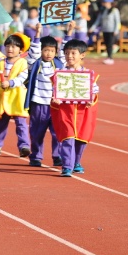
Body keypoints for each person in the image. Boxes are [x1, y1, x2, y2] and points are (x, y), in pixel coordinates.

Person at [25, 22, 72, 167]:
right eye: (46, 50)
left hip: (56, 104)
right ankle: (36, 156)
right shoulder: (35, 63)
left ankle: (57, 155)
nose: (49, 53)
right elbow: (33, 52)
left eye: (52, 51)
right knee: (37, 132)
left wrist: (69, 32)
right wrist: (38, 34)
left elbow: (65, 49)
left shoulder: (59, 64)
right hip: (39, 103)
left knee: (57, 132)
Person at [50, 39, 99, 177]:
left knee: (81, 140)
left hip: (83, 113)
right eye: (66, 53)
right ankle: (67, 166)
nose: (69, 56)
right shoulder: (60, 74)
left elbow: (94, 91)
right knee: (68, 137)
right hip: (66, 112)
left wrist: (91, 100)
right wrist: (55, 99)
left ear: (82, 55)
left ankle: (76, 162)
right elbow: (55, 90)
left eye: (73, 53)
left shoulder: (89, 74)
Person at [0, 32, 31, 156]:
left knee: (21, 123)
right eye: (8, 46)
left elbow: (22, 77)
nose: (10, 49)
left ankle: (24, 146)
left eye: (14, 46)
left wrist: (10, 83)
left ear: (20, 50)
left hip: (17, 98)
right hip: (3, 98)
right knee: (1, 122)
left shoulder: (23, 63)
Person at [91, 0, 121, 65]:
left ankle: (110, 58)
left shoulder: (115, 10)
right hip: (105, 30)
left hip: (112, 31)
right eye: (104, 2)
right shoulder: (103, 11)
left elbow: (117, 21)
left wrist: (116, 30)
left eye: (106, 2)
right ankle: (108, 57)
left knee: (110, 44)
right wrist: (92, 28)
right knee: (107, 44)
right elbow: (98, 21)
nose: (105, 4)